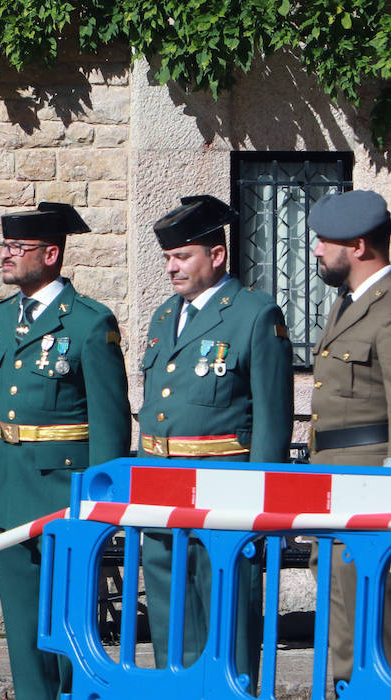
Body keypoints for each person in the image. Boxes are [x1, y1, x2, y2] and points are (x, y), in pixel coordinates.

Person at [0, 202, 130, 700]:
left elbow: (110, 426)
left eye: (17, 248)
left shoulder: (88, 323)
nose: (6, 256)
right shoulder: (2, 319)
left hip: (63, 497)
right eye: (5, 246)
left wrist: (103, 507)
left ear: (51, 254)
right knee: (22, 631)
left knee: (66, 629)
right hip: (7, 493)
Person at [138, 194, 294, 678]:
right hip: (161, 491)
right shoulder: (166, 316)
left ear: (217, 256)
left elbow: (272, 418)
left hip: (224, 494)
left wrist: (260, 503)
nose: (171, 268)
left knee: (227, 627)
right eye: (167, 258)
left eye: (182, 256)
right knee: (169, 623)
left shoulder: (253, 314)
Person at [308, 189, 391, 687]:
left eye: (325, 241)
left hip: (371, 482)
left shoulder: (386, 308)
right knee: (342, 617)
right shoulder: (351, 302)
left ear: (358, 246)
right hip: (336, 478)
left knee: (365, 624)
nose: (316, 249)